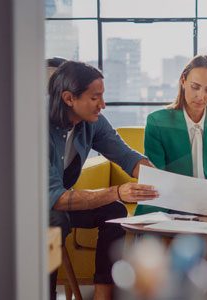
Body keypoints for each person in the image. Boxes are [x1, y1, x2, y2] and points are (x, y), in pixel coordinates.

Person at [48, 61, 159, 300]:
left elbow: (126, 155)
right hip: (30, 210)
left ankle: (102, 295)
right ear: (69, 98)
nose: (103, 104)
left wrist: (157, 180)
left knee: (114, 211)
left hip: (59, 204)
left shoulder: (92, 123)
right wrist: (117, 191)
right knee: (55, 221)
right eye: (95, 97)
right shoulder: (35, 128)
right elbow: (55, 199)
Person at [134, 55, 207, 215]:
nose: (201, 96)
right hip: (172, 207)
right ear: (183, 81)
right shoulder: (157, 122)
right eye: (195, 87)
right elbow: (157, 180)